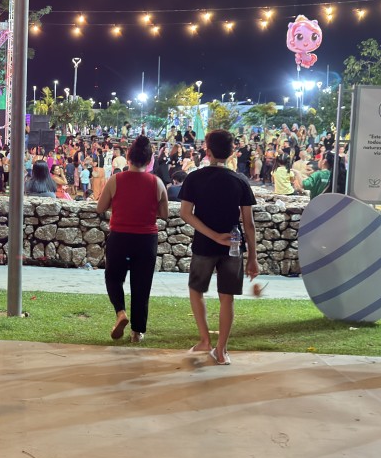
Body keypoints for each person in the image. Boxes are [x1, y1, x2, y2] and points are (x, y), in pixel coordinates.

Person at [179, 129, 259, 366]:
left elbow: (185, 213)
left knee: (196, 290)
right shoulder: (240, 181)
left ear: (208, 149)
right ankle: (221, 351)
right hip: (233, 245)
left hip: (204, 244)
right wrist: (253, 257)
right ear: (233, 151)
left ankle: (205, 339)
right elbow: (249, 223)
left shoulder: (194, 177)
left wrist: (213, 235)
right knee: (227, 298)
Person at [96, 135, 168, 343]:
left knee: (113, 278)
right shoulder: (157, 182)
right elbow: (163, 213)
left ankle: (120, 312)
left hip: (120, 237)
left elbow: (100, 207)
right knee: (142, 284)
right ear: (149, 160)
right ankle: (137, 332)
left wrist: (118, 205)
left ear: (128, 157)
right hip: (146, 239)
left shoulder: (115, 180)